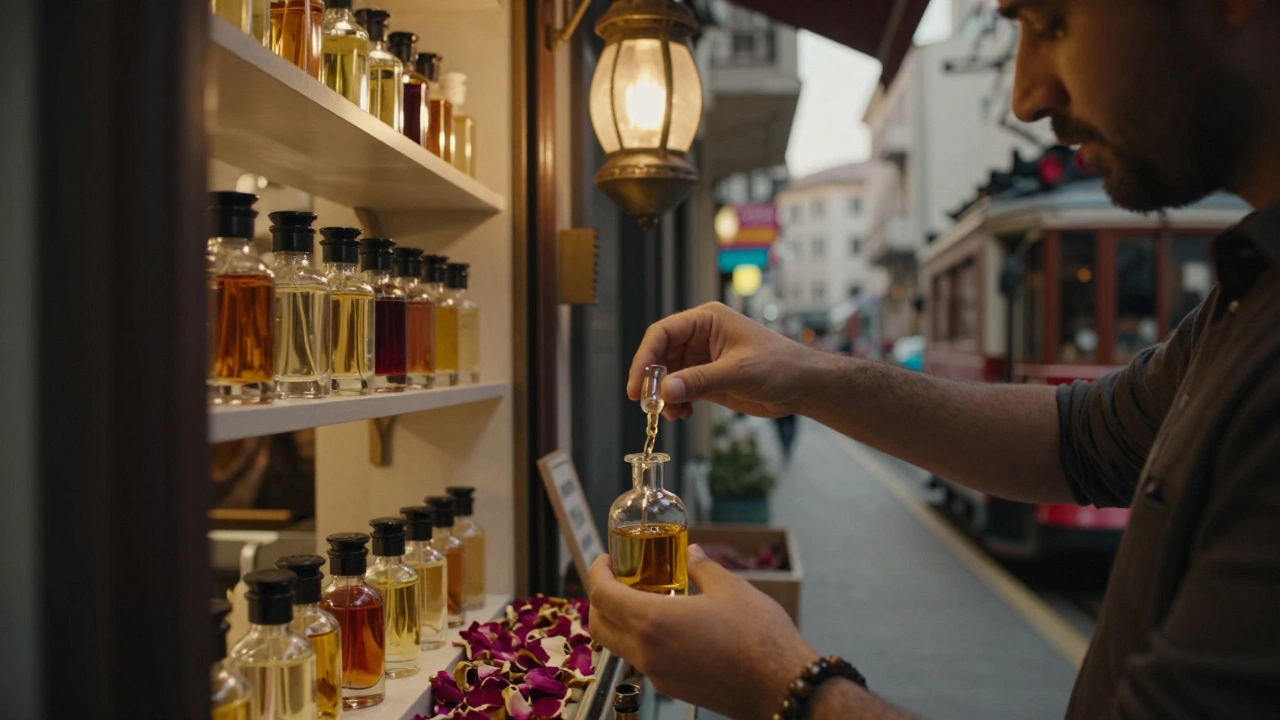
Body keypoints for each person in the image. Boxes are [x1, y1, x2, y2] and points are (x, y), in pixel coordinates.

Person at [586, 0, 1280, 718]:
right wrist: (802, 373)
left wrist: (780, 685)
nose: (1027, 93)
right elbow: (1082, 437)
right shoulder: (1252, 287)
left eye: (1051, 23)